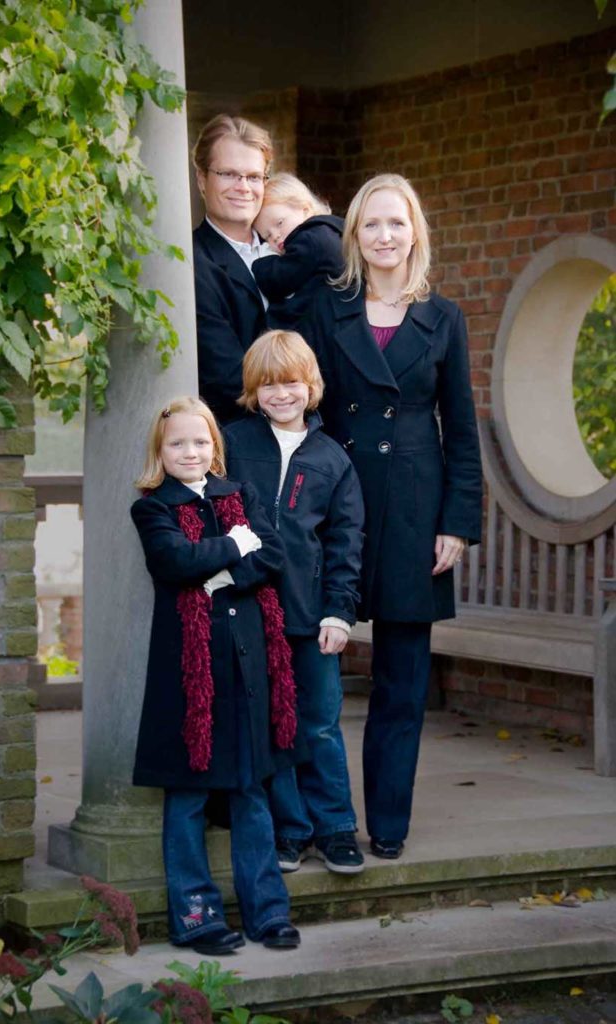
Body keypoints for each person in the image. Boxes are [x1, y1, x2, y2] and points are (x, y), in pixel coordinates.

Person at [303, 174, 482, 860]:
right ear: (353, 235)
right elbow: (306, 405)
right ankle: (318, 821)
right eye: (370, 224)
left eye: (395, 223)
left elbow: (461, 430)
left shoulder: (444, 318)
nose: (384, 236)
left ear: (415, 233)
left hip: (414, 508)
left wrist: (457, 523)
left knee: (402, 681)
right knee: (316, 674)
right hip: (339, 505)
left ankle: (387, 823)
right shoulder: (325, 308)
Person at [130, 396, 301, 953]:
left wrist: (220, 572)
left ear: (215, 446)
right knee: (188, 796)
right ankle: (197, 916)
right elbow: (174, 562)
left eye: (200, 441)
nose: (190, 451)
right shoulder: (152, 508)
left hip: (250, 666)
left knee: (252, 790)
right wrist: (233, 546)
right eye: (178, 443)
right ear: (161, 450)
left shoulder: (241, 495)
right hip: (191, 676)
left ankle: (267, 912)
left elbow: (272, 553)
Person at [223, 330, 365, 875]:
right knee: (267, 723)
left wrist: (339, 611)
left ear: (310, 385)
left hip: (312, 617)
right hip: (251, 609)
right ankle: (289, 830)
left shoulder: (333, 459)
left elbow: (345, 542)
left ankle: (336, 828)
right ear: (253, 391)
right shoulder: (233, 443)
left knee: (320, 722)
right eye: (268, 385)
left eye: (291, 383)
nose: (280, 394)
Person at [192, 114, 273, 424]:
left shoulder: (288, 250)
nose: (243, 187)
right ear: (202, 179)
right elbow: (226, 375)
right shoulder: (193, 266)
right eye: (228, 174)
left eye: (254, 177)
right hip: (239, 444)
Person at [252, 173, 344, 329]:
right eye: (267, 236)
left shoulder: (311, 240)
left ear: (305, 209)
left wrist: (260, 264)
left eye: (279, 223)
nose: (275, 236)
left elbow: (278, 279)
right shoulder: (331, 232)